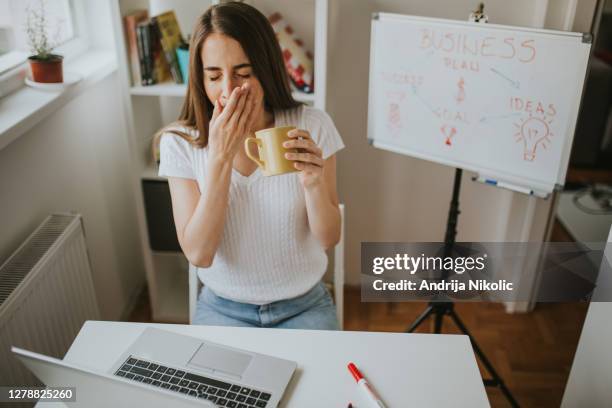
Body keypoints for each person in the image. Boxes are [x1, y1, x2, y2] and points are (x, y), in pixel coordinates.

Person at [157, 1, 345, 330]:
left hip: (304, 305)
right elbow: (199, 254)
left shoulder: (311, 125)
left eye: (244, 73)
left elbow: (329, 238)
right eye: (214, 76)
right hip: (222, 307)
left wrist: (314, 183)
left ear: (266, 68)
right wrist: (219, 158)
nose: (228, 90)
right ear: (200, 80)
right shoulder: (180, 143)